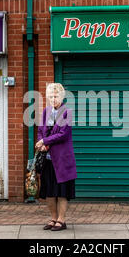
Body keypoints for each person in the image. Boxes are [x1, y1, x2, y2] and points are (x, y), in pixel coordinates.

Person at [35, 83, 77, 231]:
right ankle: (53, 218)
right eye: (51, 96)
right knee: (49, 191)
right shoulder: (46, 111)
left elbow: (63, 134)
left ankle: (61, 220)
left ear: (62, 96)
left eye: (56, 96)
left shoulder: (67, 112)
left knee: (62, 192)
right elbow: (40, 129)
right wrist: (41, 142)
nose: (53, 99)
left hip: (62, 159)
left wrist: (45, 141)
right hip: (47, 159)